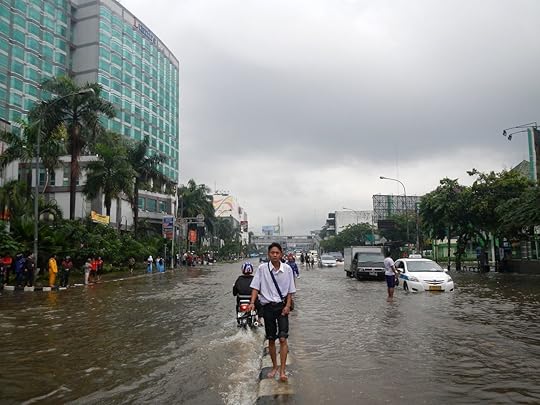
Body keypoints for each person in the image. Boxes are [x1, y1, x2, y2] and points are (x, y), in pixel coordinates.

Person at [249, 242, 296, 382]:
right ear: (268, 254)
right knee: (271, 339)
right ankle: (274, 366)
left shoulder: (287, 269)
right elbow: (255, 287)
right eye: (272, 253)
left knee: (283, 338)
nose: (275, 255)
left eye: (277, 253)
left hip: (282, 308)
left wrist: (287, 306)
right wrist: (252, 303)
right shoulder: (262, 269)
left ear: (281, 254)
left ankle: (282, 370)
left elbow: (290, 291)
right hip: (267, 307)